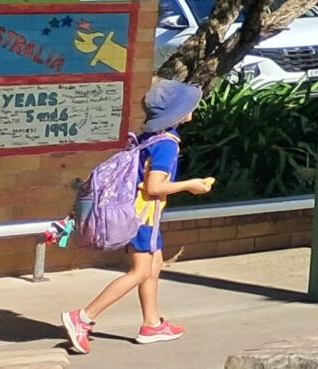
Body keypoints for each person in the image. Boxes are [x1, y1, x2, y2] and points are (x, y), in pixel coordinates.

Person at [64, 79, 210, 354]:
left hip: (139, 214)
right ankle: (82, 317)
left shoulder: (148, 139)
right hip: (143, 217)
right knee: (140, 271)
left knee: (154, 265)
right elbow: (154, 186)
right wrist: (191, 185)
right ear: (178, 114)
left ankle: (151, 324)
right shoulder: (167, 145)